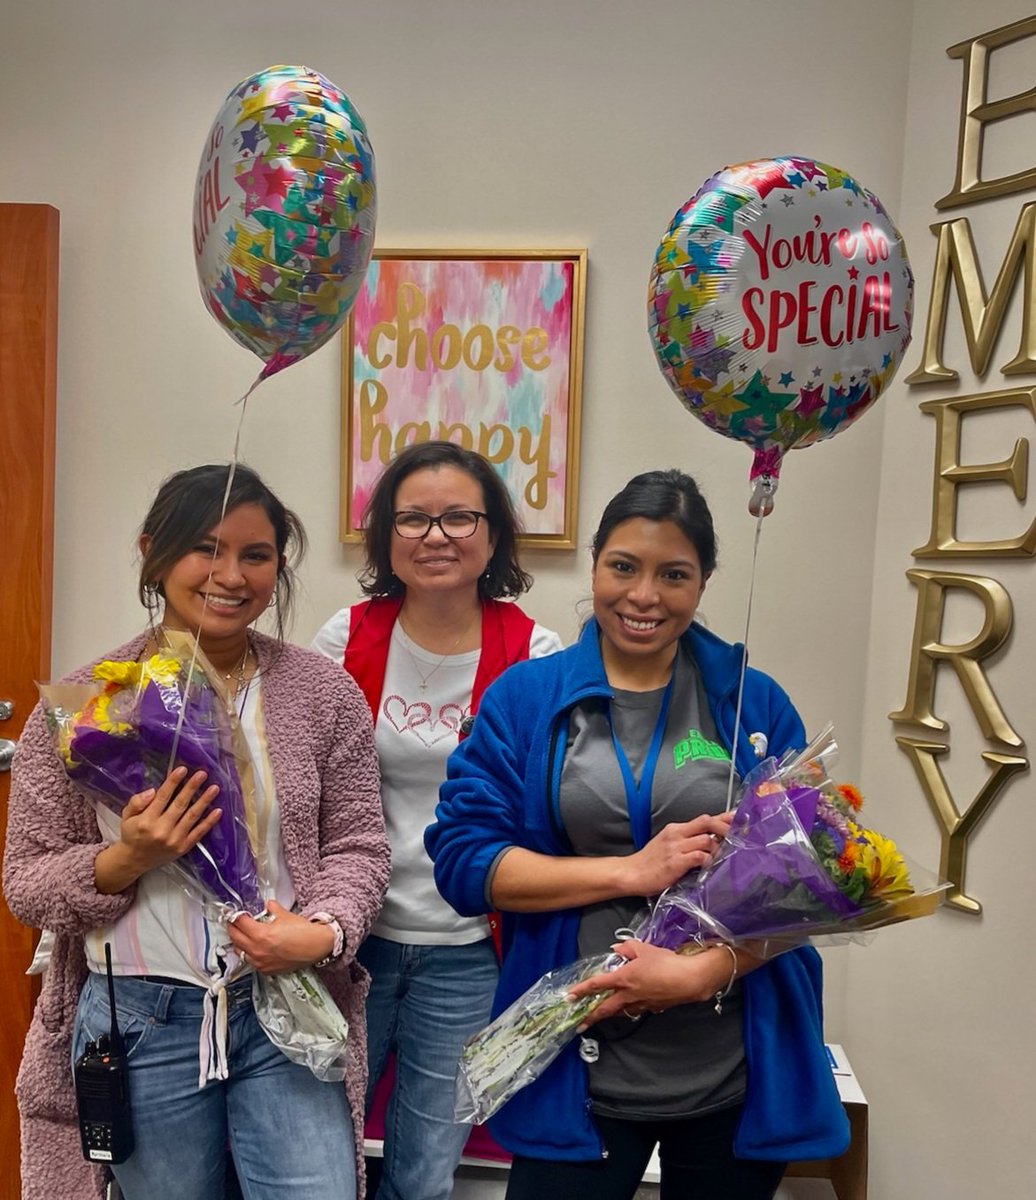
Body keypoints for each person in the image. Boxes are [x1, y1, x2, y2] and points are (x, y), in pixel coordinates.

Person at [426, 469, 848, 1200]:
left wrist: (698, 975)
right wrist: (630, 871)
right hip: (573, 1063)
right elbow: (465, 863)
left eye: (673, 574)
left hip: (734, 1070)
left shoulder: (752, 703)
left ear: (704, 581)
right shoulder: (526, 699)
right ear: (595, 565)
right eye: (624, 566)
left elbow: (813, 883)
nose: (644, 596)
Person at [3, 464, 390, 1200]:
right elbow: (25, 880)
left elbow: (358, 846)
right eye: (205, 549)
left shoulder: (322, 693)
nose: (231, 576)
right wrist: (125, 858)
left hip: (284, 1005)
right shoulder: (91, 704)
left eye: (255, 555)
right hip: (141, 1022)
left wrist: (324, 932)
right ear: (154, 553)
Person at [312, 441, 562, 1200]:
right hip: (350, 941)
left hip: (470, 949)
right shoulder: (344, 638)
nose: (436, 536)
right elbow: (305, 790)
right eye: (413, 519)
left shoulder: (536, 653)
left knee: (423, 1174)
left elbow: (547, 811)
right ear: (387, 534)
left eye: (459, 517)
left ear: (493, 534)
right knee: (316, 1160)